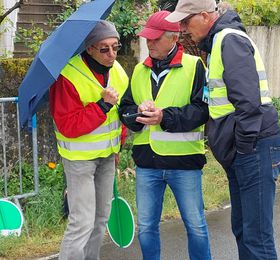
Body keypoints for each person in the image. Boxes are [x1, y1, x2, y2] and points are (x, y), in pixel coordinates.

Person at [166, 1, 280, 259]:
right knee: (243, 229)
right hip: (246, 150)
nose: (183, 28)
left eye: (187, 21)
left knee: (256, 236)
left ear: (206, 15)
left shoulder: (228, 40)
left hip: (254, 148)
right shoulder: (218, 43)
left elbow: (248, 102)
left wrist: (242, 148)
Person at [119, 10, 211, 260]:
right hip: (147, 163)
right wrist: (136, 112)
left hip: (184, 163)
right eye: (147, 38)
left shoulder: (194, 66)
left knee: (195, 226)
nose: (149, 43)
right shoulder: (139, 70)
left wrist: (164, 117)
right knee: (147, 227)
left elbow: (202, 111)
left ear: (173, 37)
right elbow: (124, 110)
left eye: (155, 38)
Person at [49, 20, 128, 260]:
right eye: (104, 49)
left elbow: (120, 116)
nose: (112, 54)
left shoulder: (119, 72)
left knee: (101, 218)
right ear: (90, 48)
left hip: (107, 156)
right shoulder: (68, 76)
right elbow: (68, 125)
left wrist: (118, 147)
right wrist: (102, 106)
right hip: (79, 160)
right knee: (81, 222)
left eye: (116, 47)